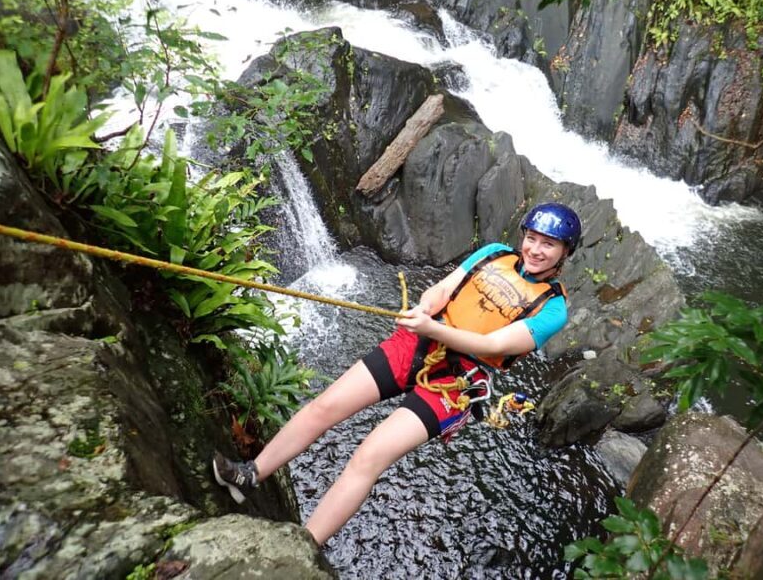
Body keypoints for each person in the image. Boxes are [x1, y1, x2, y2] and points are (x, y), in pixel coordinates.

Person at [213, 202, 582, 546]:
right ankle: (250, 474)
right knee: (325, 407)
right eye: (532, 238)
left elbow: (493, 345)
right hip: (417, 342)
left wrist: (432, 328)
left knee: (369, 456)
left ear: (565, 252)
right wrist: (424, 309)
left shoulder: (552, 309)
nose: (535, 249)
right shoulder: (494, 254)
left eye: (548, 244)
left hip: (457, 381)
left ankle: (303, 547)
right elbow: (444, 289)